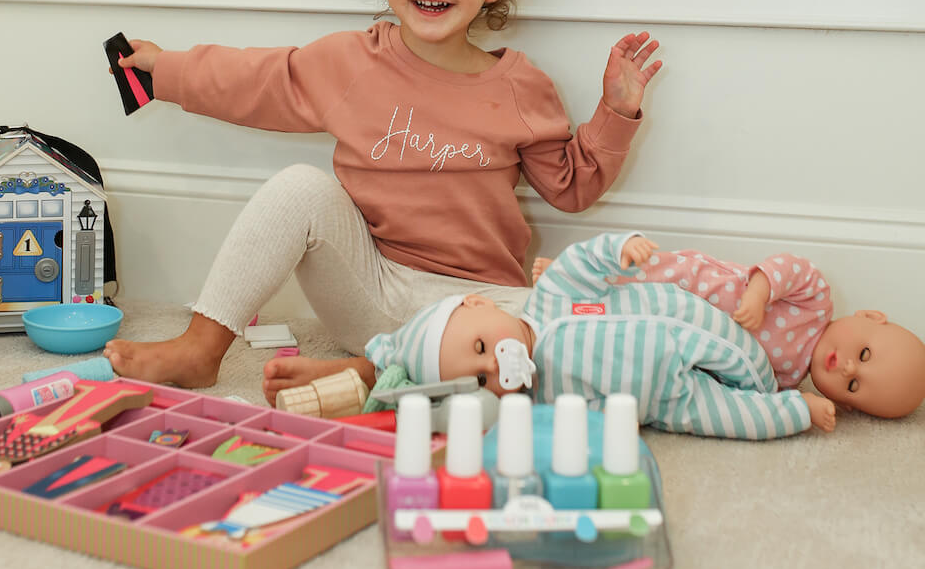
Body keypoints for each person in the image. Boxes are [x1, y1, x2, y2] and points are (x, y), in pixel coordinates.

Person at [103, 0, 663, 390]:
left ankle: (371, 376)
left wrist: (615, 111)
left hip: (476, 307)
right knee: (300, 186)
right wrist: (165, 69)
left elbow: (571, 186)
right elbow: (254, 80)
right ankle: (201, 346)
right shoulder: (351, 63)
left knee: (586, 326)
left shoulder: (522, 86)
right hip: (371, 288)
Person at [328, 231, 925, 439]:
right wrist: (761, 290)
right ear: (870, 316)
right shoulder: (816, 303)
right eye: (863, 355)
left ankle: (370, 364)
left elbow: (582, 264)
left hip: (694, 327)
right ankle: (376, 370)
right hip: (677, 359)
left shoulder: (790, 374)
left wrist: (792, 404)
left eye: (851, 386)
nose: (844, 365)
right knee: (724, 413)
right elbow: (793, 270)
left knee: (726, 405)